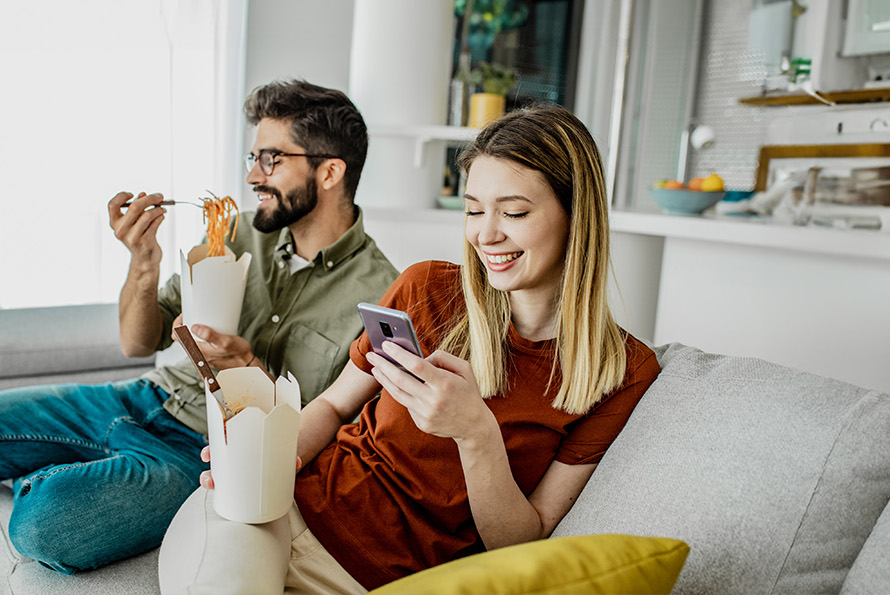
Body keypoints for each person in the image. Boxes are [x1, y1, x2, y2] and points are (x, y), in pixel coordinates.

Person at [0, 79, 398, 595]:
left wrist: (249, 372)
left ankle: (51, 472)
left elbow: (325, 430)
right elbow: (136, 342)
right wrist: (143, 264)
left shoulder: (380, 295)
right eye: (253, 156)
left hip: (193, 451)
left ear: (330, 171)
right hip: (137, 398)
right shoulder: (235, 232)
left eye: (271, 159)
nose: (251, 175)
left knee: (41, 523)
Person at [158, 105, 663, 594]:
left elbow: (524, 538)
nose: (486, 234)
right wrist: (272, 456)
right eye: (473, 210)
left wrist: (475, 433)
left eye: (514, 212)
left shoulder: (620, 370)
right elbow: (336, 405)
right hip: (281, 514)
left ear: (577, 216)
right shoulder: (428, 290)